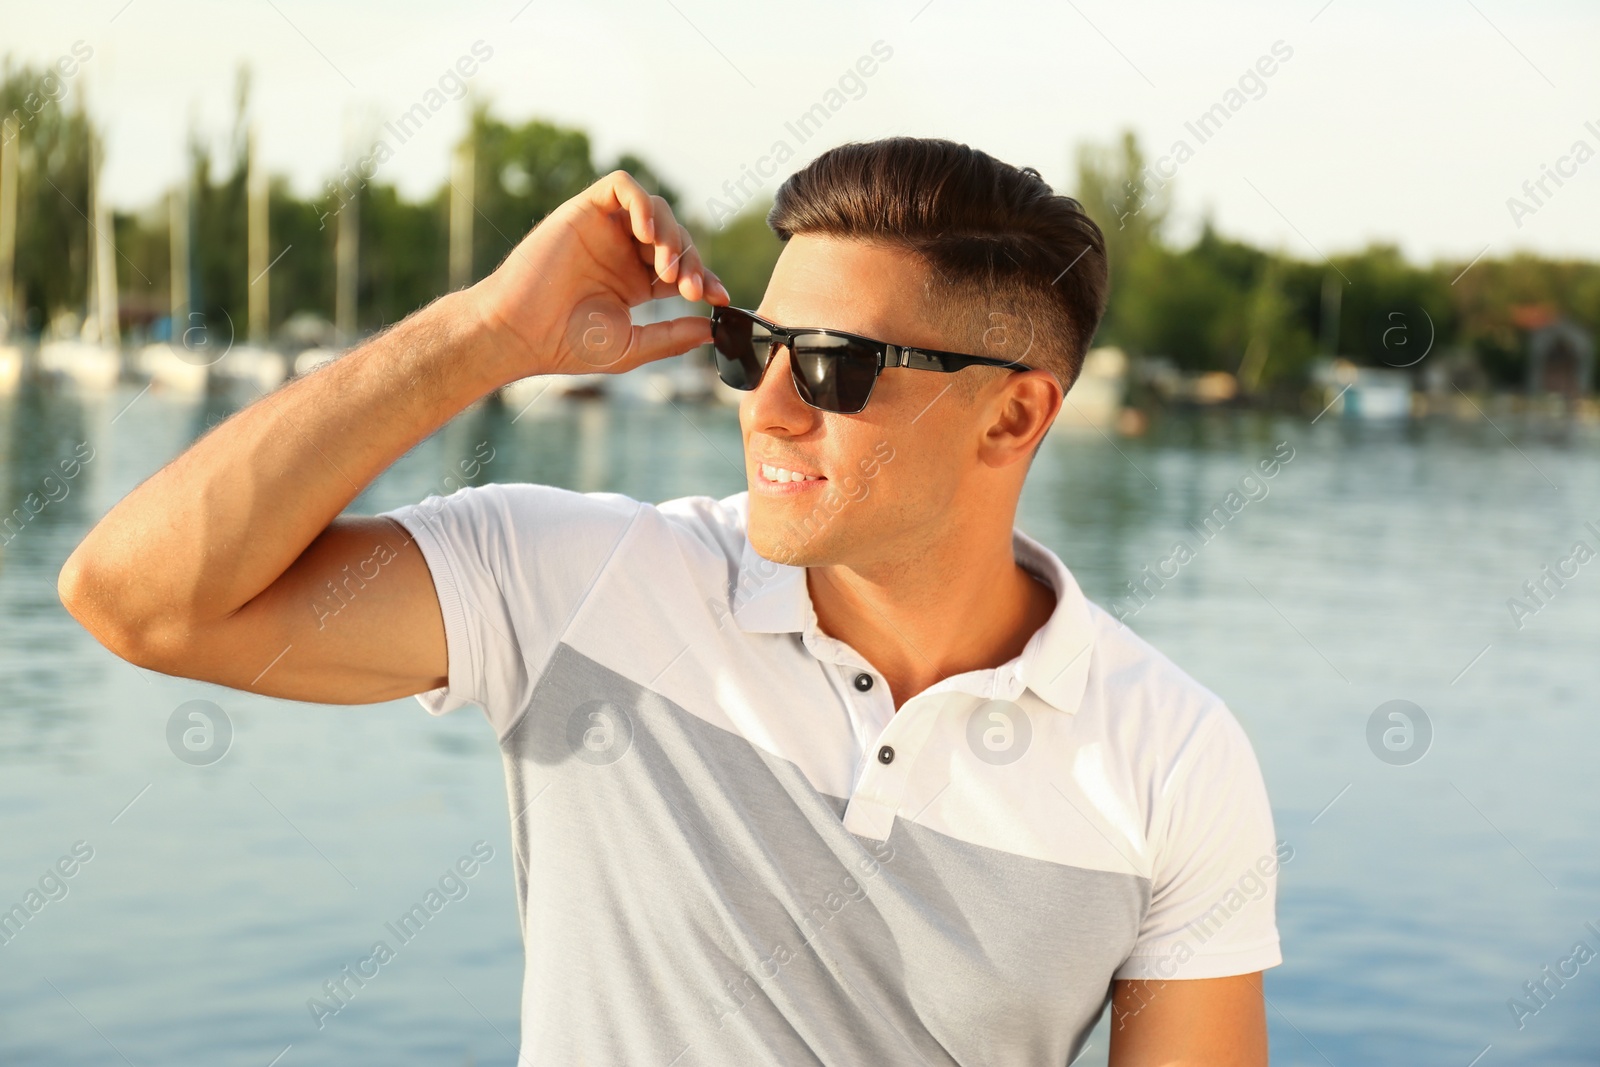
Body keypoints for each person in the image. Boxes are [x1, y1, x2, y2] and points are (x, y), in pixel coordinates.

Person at [58, 136, 1281, 1066]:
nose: (768, 406)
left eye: (836, 367)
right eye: (753, 345)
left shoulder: (1170, 758)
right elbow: (142, 601)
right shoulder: (577, 582)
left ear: (1013, 413)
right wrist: (486, 333)